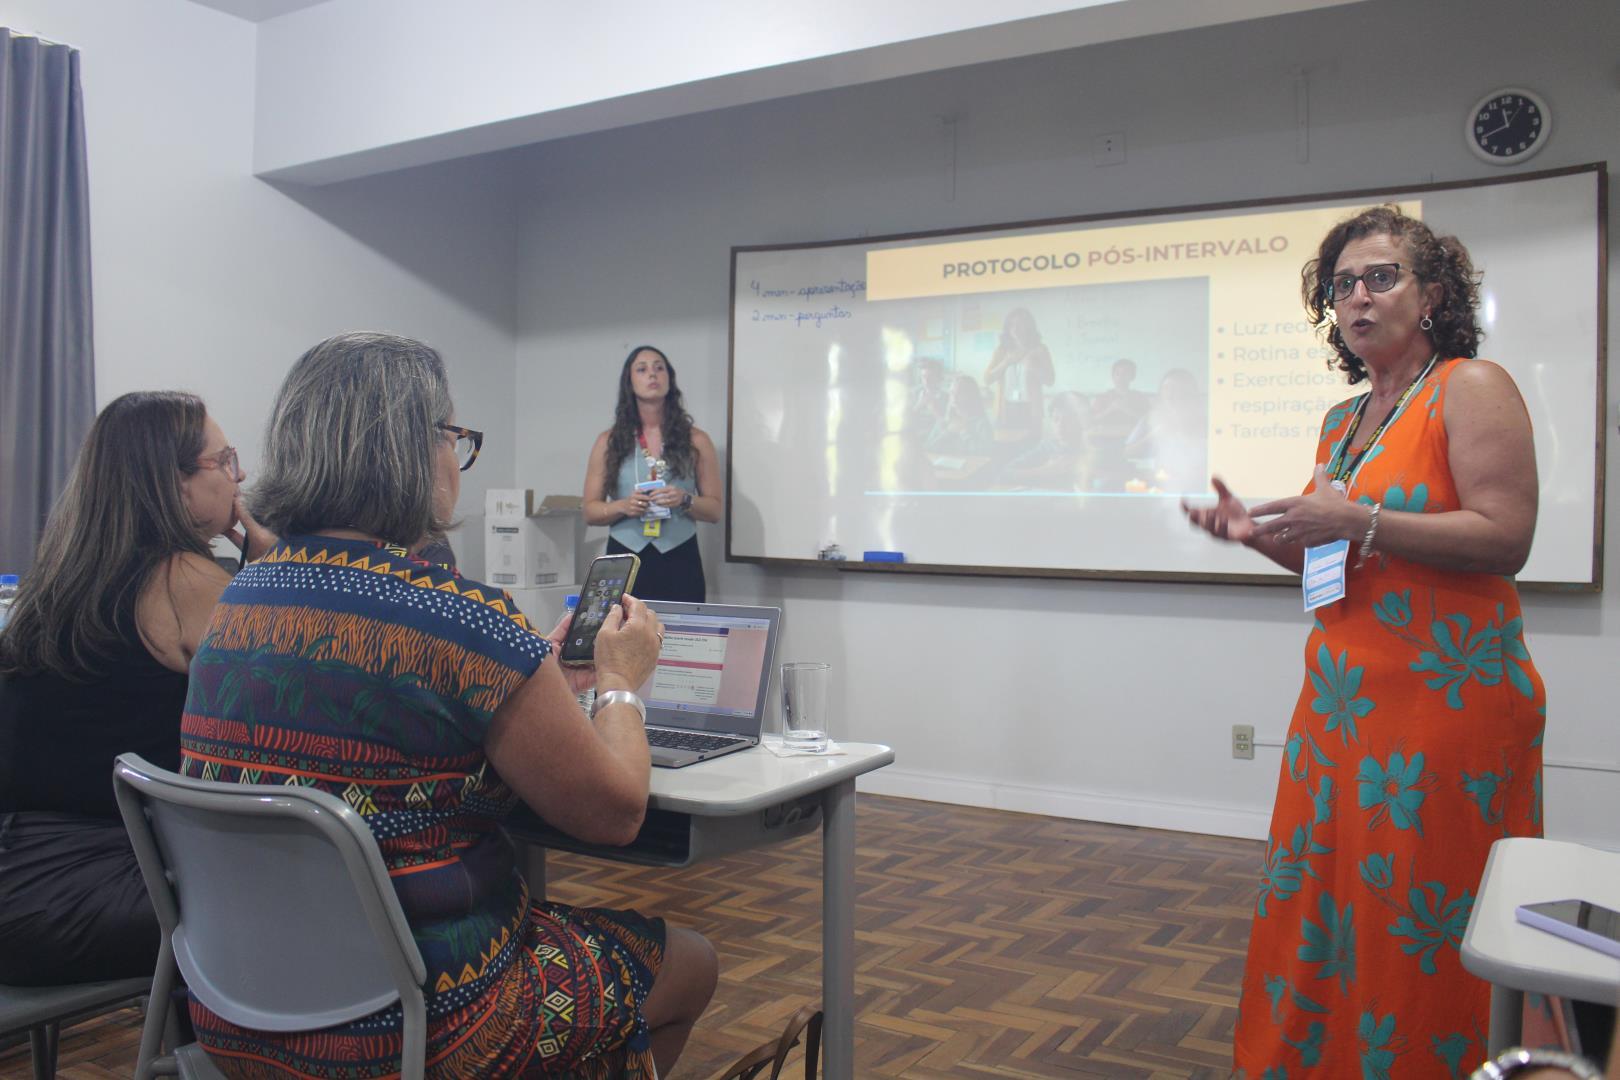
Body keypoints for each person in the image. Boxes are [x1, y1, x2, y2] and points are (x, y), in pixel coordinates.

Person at [181, 332, 716, 1079]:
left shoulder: (241, 598)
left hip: (240, 1006)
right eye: (450, 435)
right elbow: (617, 812)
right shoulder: (459, 618)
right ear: (410, 451)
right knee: (690, 964)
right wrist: (622, 679)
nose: (455, 456)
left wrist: (536, 683)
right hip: (420, 1021)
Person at [1184, 206, 1545, 1077]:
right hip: (1343, 705)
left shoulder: (1470, 385)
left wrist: (1361, 519)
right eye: (1342, 285)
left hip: (1443, 707)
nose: (1357, 297)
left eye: (1381, 277)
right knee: (1329, 897)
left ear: (1434, 295)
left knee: (1419, 909)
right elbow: (1335, 567)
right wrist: (1258, 537)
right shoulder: (1341, 421)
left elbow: (1507, 536)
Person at [0, 391, 269, 984]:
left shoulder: (65, 576)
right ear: (174, 484)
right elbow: (290, 690)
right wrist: (277, 572)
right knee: (310, 895)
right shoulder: (184, 580)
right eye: (224, 460)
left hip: (22, 873)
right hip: (74, 888)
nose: (240, 475)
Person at [583, 346, 721, 603]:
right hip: (624, 556)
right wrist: (623, 506)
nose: (652, 374)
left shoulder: (697, 440)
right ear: (629, 381)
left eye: (659, 367)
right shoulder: (608, 441)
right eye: (642, 369)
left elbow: (714, 510)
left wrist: (684, 499)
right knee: (622, 625)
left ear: (670, 378)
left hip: (679, 556)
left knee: (682, 627)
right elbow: (590, 511)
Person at [982, 307, 1054, 442]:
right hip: (1005, 409)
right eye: (1012, 325)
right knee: (1004, 447)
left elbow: (1050, 380)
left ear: (1029, 327)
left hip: (1031, 410)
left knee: (1030, 447)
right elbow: (987, 380)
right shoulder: (1002, 351)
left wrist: (1035, 367)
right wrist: (1005, 362)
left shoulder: (1040, 350)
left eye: (1020, 324)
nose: (1015, 328)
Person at [926, 374, 996, 457]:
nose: (954, 397)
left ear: (970, 395)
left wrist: (963, 431)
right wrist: (948, 432)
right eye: (952, 393)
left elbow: (985, 452)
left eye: (959, 393)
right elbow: (928, 447)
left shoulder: (981, 423)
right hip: (946, 464)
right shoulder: (944, 421)